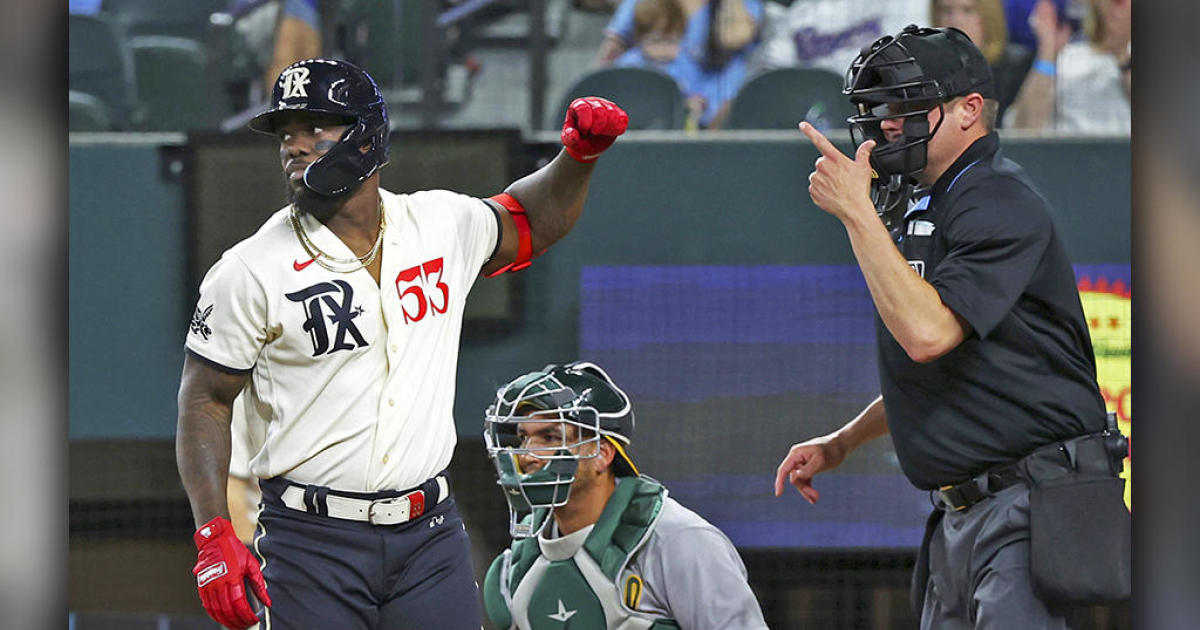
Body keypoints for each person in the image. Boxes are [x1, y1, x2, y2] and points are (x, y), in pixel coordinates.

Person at [175, 58, 629, 630]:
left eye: (317, 127)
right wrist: (214, 531)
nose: (295, 146)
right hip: (311, 541)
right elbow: (203, 400)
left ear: (366, 134)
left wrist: (578, 159)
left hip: (428, 534)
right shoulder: (249, 268)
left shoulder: (437, 224)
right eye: (286, 134)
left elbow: (531, 218)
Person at [775, 25, 1128, 628]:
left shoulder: (996, 199)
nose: (889, 122)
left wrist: (857, 214)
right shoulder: (926, 201)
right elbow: (941, 369)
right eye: (882, 108)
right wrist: (842, 442)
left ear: (969, 111)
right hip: (961, 512)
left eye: (911, 105)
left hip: (1027, 503)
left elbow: (926, 335)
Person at [481, 362, 769, 630]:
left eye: (550, 438)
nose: (529, 455)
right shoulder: (522, 558)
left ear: (602, 454)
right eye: (523, 438)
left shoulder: (680, 541)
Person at [598, 0, 764, 128]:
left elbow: (735, 37)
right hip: (653, 116)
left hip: (717, 110)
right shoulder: (632, 60)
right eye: (659, 40)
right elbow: (611, 53)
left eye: (671, 40)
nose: (665, 48)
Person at [1003, 0, 1130, 133]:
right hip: (1069, 150)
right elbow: (1023, 129)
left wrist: (1122, 55)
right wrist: (1047, 51)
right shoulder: (1063, 57)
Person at [931, 0, 1035, 123]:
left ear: (989, 16)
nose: (955, 21)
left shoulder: (1018, 68)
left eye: (967, 10)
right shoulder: (928, 71)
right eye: (947, 11)